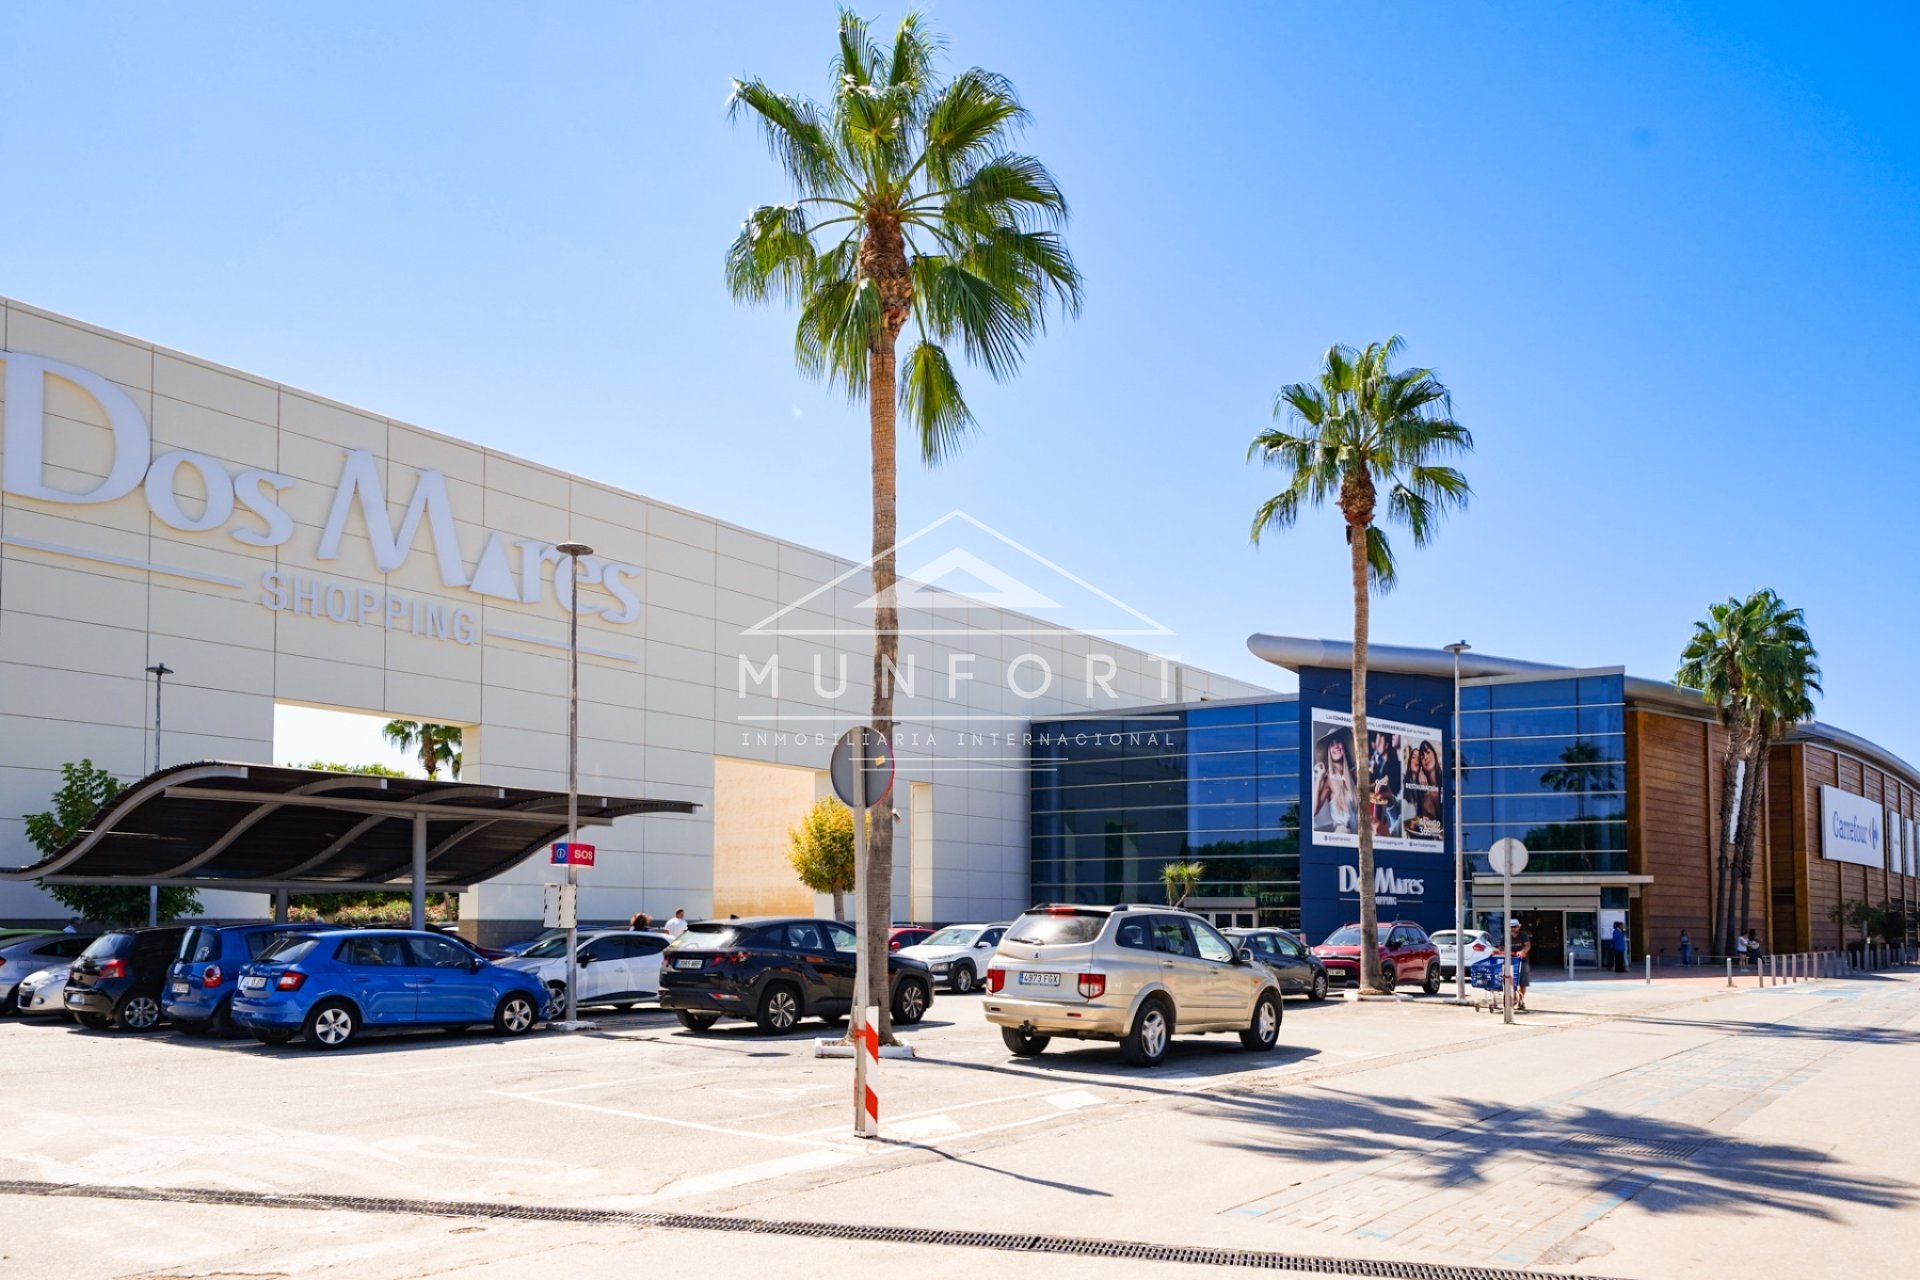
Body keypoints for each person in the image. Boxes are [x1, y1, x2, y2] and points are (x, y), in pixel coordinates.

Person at [1506, 917, 1532, 1011]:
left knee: (1522, 982)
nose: (1513, 928)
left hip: (1522, 961)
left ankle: (1521, 1000)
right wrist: (1499, 951)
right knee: (1510, 982)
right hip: (1509, 962)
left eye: (1515, 926)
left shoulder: (1523, 935)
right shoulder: (1506, 936)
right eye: (1511, 927)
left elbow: (1528, 945)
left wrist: (1522, 952)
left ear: (1518, 927)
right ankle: (1513, 999)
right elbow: (1501, 947)